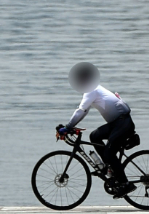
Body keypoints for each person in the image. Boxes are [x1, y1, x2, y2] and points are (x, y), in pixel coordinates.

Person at [57, 62, 137, 199]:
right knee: (94, 136)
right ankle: (108, 168)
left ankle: (125, 183)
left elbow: (81, 110)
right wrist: (69, 126)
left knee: (110, 152)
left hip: (122, 123)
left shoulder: (91, 90)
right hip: (117, 122)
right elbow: (84, 111)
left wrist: (68, 127)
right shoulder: (92, 89)